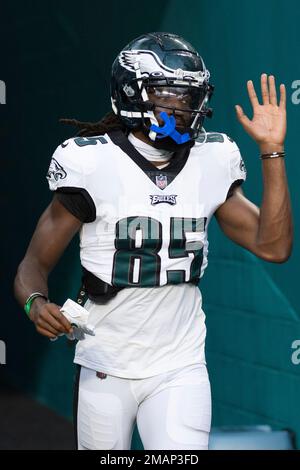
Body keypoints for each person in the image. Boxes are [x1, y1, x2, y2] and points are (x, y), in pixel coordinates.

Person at [14, 32, 293, 450]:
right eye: (169, 95)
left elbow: (274, 247)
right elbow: (32, 266)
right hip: (104, 362)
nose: (183, 108)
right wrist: (36, 302)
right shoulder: (90, 163)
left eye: (189, 97)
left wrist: (272, 152)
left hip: (179, 364)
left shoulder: (211, 158)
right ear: (132, 94)